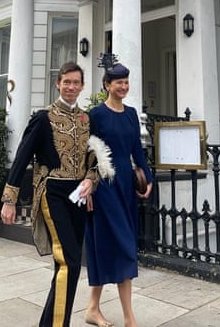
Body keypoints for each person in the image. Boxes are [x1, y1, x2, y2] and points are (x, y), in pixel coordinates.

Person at [1, 61, 99, 327]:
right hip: (52, 192)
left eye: (76, 82)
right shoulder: (43, 117)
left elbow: (94, 159)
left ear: (82, 85)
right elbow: (22, 156)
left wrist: (91, 181)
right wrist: (10, 199)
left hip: (77, 196)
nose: (71, 87)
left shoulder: (85, 118)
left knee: (67, 264)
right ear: (58, 84)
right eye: (66, 82)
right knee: (70, 262)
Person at [85, 62, 153, 327]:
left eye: (126, 82)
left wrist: (148, 177)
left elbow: (137, 149)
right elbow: (87, 153)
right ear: (106, 85)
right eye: (118, 82)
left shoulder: (132, 114)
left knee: (112, 246)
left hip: (125, 183)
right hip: (104, 185)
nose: (123, 86)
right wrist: (88, 185)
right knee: (122, 247)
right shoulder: (96, 114)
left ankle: (92, 308)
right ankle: (129, 318)